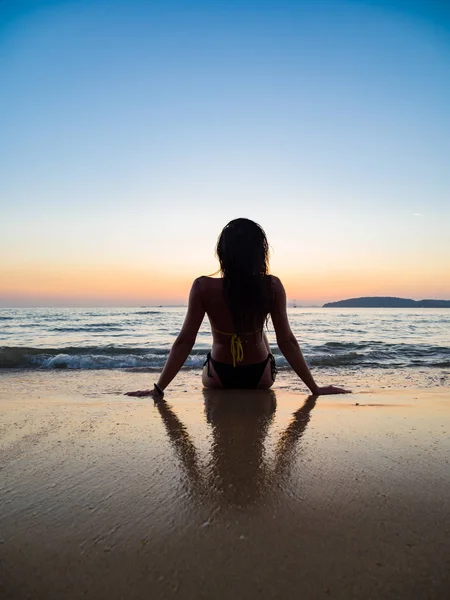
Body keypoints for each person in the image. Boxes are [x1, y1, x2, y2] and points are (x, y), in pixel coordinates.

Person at [126, 218, 349, 399]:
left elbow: (185, 341)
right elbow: (287, 341)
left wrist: (158, 389)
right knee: (263, 337)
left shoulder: (202, 287)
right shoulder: (272, 286)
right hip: (260, 377)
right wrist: (314, 388)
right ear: (260, 254)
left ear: (222, 253)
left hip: (219, 378)